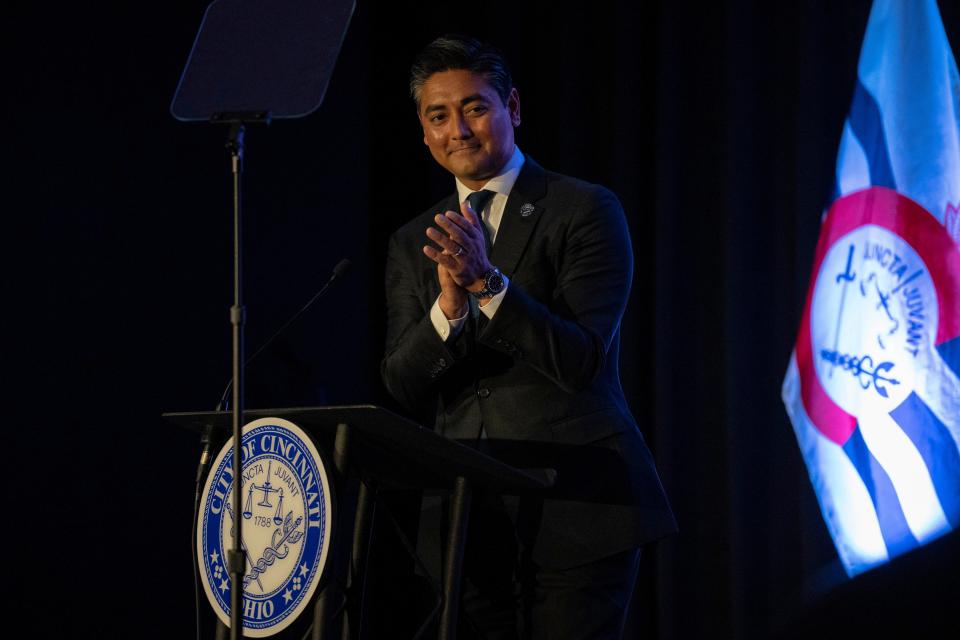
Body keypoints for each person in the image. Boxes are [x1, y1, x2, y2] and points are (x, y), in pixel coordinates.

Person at [381, 34, 676, 639]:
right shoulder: (413, 240)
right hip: (466, 526)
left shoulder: (584, 209)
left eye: (475, 107)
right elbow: (402, 384)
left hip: (578, 508)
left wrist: (487, 284)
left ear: (512, 108)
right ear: (423, 129)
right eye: (439, 115)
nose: (458, 129)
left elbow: (581, 360)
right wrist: (449, 307)